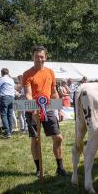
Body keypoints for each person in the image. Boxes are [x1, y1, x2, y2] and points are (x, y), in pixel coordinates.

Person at [23, 45, 66, 177]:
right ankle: (38, 168)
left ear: (45, 57)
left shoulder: (50, 72)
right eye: (37, 57)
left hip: (47, 109)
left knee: (58, 137)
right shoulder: (27, 74)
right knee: (35, 140)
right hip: (33, 109)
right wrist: (33, 109)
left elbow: (53, 92)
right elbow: (28, 94)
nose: (39, 59)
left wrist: (59, 109)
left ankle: (60, 167)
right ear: (33, 57)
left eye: (41, 57)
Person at [0, 68, 15, 138]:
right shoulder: (11, 79)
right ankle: (10, 130)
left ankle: (7, 132)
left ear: (1, 73)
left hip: (4, 97)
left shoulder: (1, 79)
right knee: (10, 114)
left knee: (3, 114)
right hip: (12, 97)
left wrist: (0, 90)